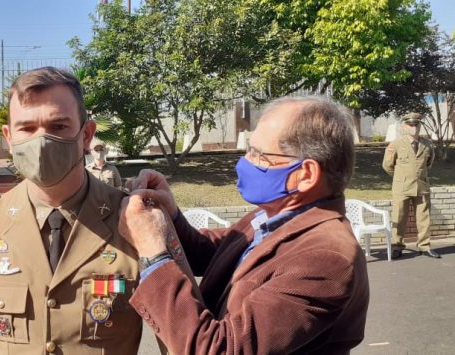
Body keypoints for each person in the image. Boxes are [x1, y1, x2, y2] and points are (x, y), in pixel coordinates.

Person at [118, 96, 370, 354]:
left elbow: (220, 349)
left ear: (305, 175)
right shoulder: (272, 216)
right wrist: (171, 215)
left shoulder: (325, 258)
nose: (244, 161)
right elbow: (213, 253)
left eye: (258, 154)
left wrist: (153, 254)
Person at [0, 67, 143, 354]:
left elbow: (181, 339)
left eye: (58, 127)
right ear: (9, 137)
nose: (41, 142)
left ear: (87, 134)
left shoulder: (136, 222)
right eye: (26, 128)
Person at [383, 113, 438, 259]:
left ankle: (424, 246)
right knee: (399, 217)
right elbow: (387, 166)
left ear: (420, 126)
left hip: (421, 186)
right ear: (404, 126)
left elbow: (428, 164)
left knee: (424, 218)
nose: (414, 127)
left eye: (416, 124)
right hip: (402, 187)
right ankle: (397, 246)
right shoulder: (396, 144)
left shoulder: (427, 145)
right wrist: (402, 178)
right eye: (410, 124)